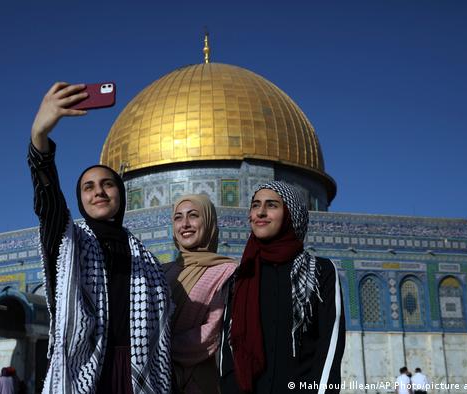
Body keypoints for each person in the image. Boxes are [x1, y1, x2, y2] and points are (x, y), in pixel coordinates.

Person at [28, 82, 172, 393]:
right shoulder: (69, 243)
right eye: (88, 187)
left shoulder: (146, 260)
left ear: (121, 193)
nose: (99, 191)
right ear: (79, 199)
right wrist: (39, 140)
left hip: (138, 373)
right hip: (86, 372)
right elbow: (49, 204)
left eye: (107, 184)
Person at [219, 181, 345, 393]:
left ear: (290, 213)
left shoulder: (320, 271)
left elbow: (330, 343)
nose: (260, 212)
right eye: (255, 205)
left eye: (272, 205)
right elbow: (228, 350)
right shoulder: (242, 277)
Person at [163, 194, 237, 393]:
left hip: (202, 379)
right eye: (178, 218)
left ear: (209, 221)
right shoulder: (162, 272)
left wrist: (160, 345)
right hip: (160, 378)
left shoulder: (228, 271)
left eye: (193, 215)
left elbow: (213, 330)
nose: (185, 224)